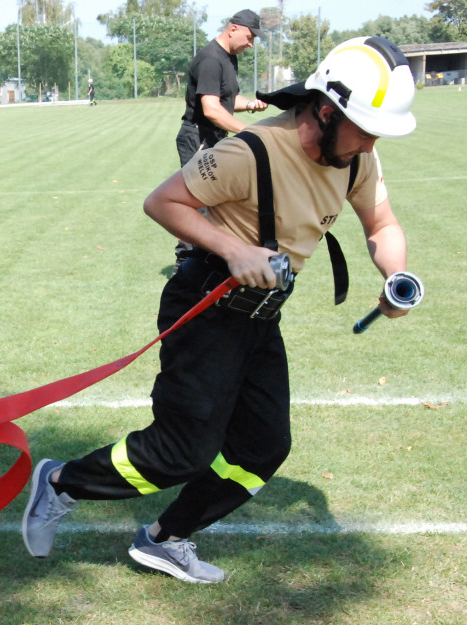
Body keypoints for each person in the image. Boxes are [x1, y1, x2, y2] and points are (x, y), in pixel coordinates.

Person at [22, 37, 418, 583]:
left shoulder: (357, 159)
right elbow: (162, 201)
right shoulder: (249, 153)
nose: (373, 142)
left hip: (260, 316)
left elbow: (382, 225)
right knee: (179, 453)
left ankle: (165, 539)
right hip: (205, 307)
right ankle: (62, 481)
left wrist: (394, 276)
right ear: (326, 112)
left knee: (263, 447)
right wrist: (234, 249)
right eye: (366, 128)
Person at [172, 9, 270, 268]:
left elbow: (225, 100)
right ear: (233, 29)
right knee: (196, 204)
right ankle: (185, 266)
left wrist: (249, 104)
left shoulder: (228, 58)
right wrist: (248, 132)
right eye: (249, 38)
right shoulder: (210, 60)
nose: (250, 44)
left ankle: (211, 263)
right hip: (198, 138)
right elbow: (212, 109)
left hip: (213, 138)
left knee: (220, 202)